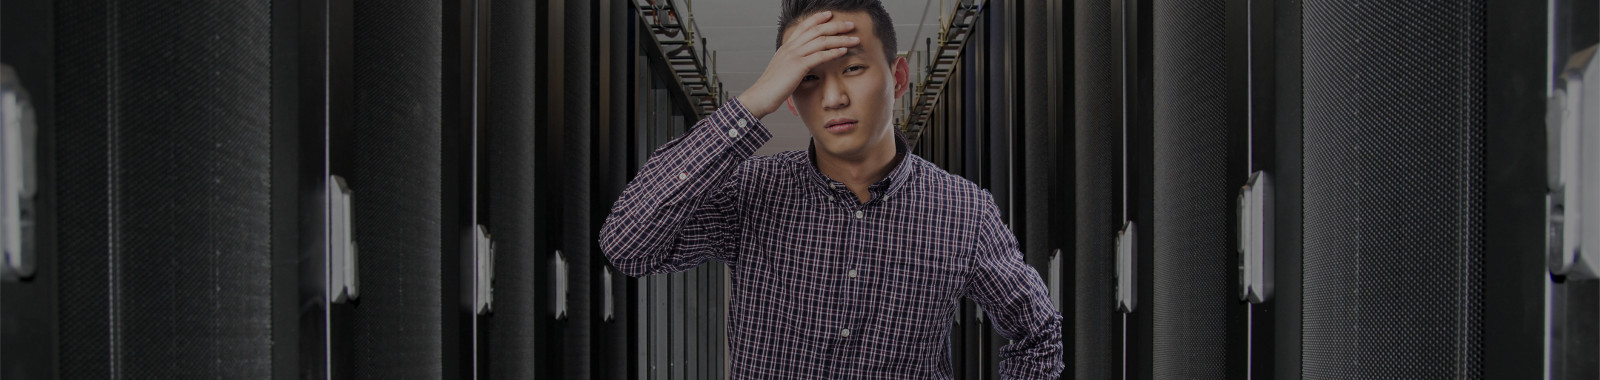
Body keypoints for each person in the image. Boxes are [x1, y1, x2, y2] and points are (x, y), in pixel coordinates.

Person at [599, 0, 1062, 378]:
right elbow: (628, 247)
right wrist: (753, 101)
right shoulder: (753, 191)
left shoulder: (964, 211)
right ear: (792, 99)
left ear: (898, 78)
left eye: (854, 69)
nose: (833, 97)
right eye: (809, 78)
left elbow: (1038, 333)